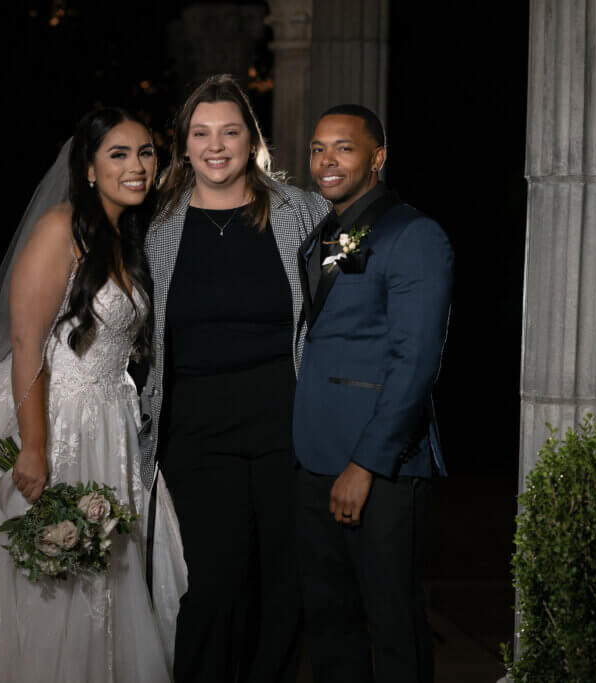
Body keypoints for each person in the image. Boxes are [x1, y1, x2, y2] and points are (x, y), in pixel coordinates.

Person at [0, 108, 185, 683]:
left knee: (104, 580)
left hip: (110, 421)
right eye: (118, 154)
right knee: (47, 586)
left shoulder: (127, 236)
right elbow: (25, 339)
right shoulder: (61, 228)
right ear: (88, 168)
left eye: (146, 153)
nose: (137, 166)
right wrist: (34, 445)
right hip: (53, 417)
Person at [139, 73, 330, 683]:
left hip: (287, 424)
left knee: (284, 584)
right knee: (216, 584)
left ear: (252, 140)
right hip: (196, 430)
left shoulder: (302, 211)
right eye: (201, 133)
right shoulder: (155, 223)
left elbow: (360, 271)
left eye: (229, 131)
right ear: (184, 144)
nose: (215, 145)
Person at [293, 104, 453, 683]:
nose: (326, 160)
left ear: (377, 158)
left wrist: (365, 463)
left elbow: (416, 363)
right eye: (317, 148)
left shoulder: (414, 234)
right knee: (330, 624)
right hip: (313, 456)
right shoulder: (323, 233)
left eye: (343, 147)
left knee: (392, 626)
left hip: (381, 466)